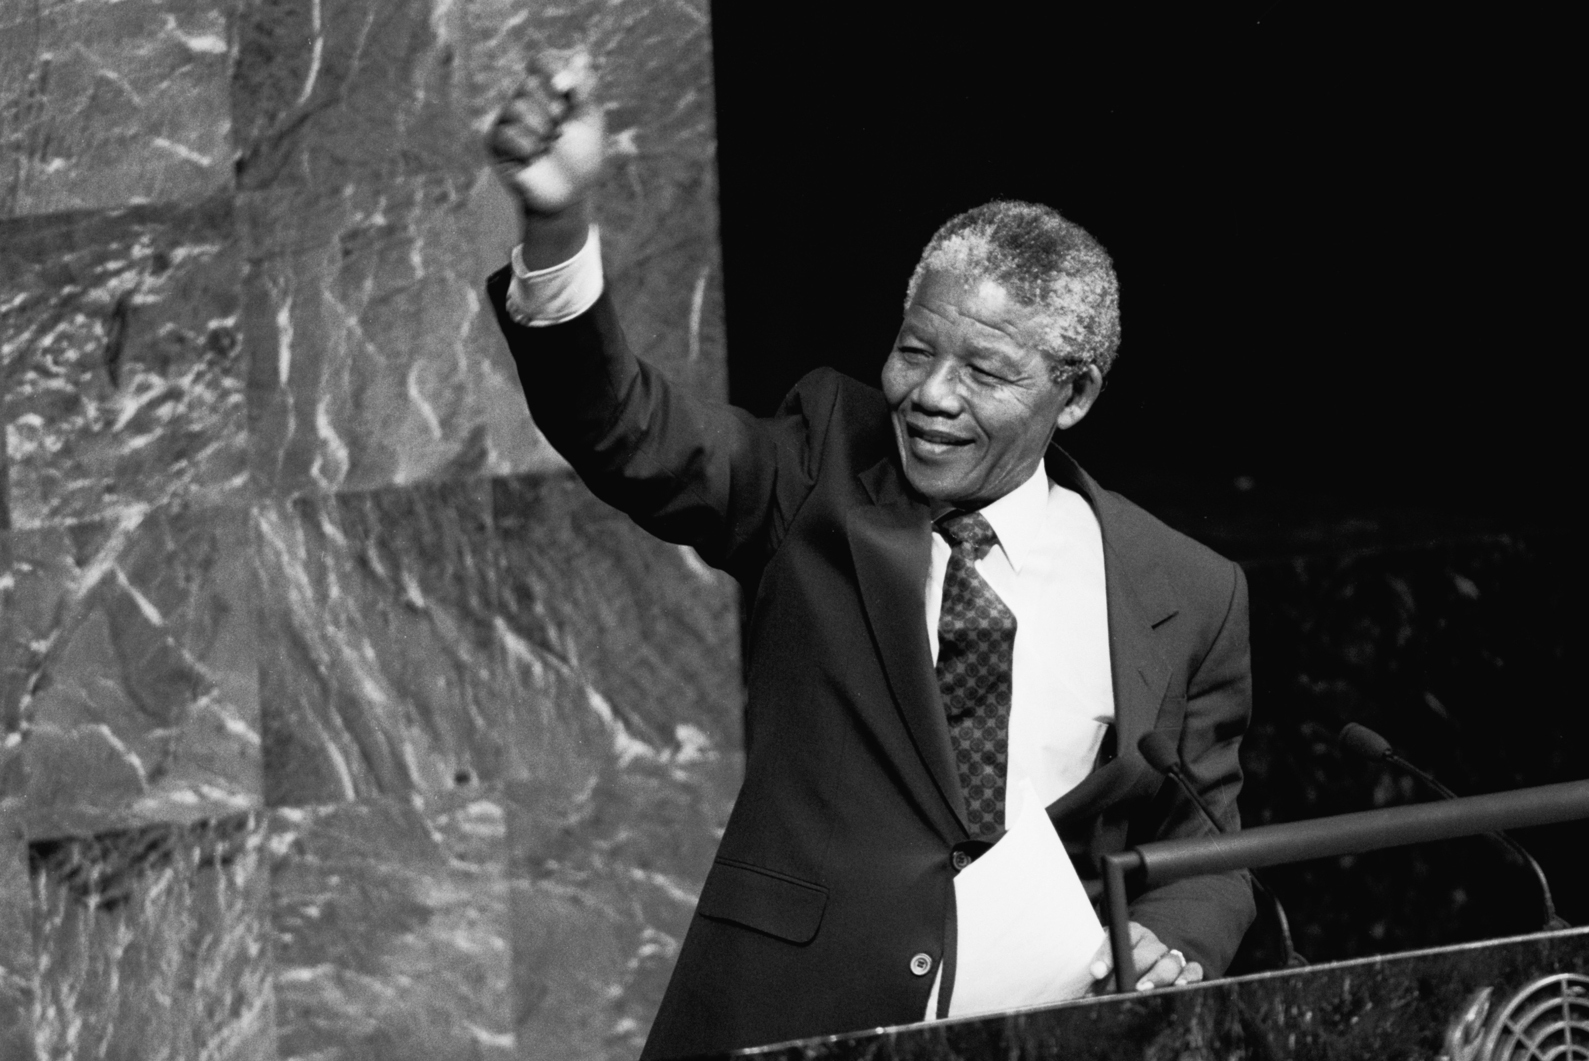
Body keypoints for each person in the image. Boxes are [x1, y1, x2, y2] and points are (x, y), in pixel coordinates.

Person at [486, 55, 1255, 1059]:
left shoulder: (1183, 589)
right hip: (793, 1020)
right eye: (913, 349)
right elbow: (627, 427)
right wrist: (555, 226)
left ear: (1071, 395)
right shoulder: (818, 467)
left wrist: (1174, 942)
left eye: (982, 370)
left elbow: (1209, 847)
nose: (931, 394)